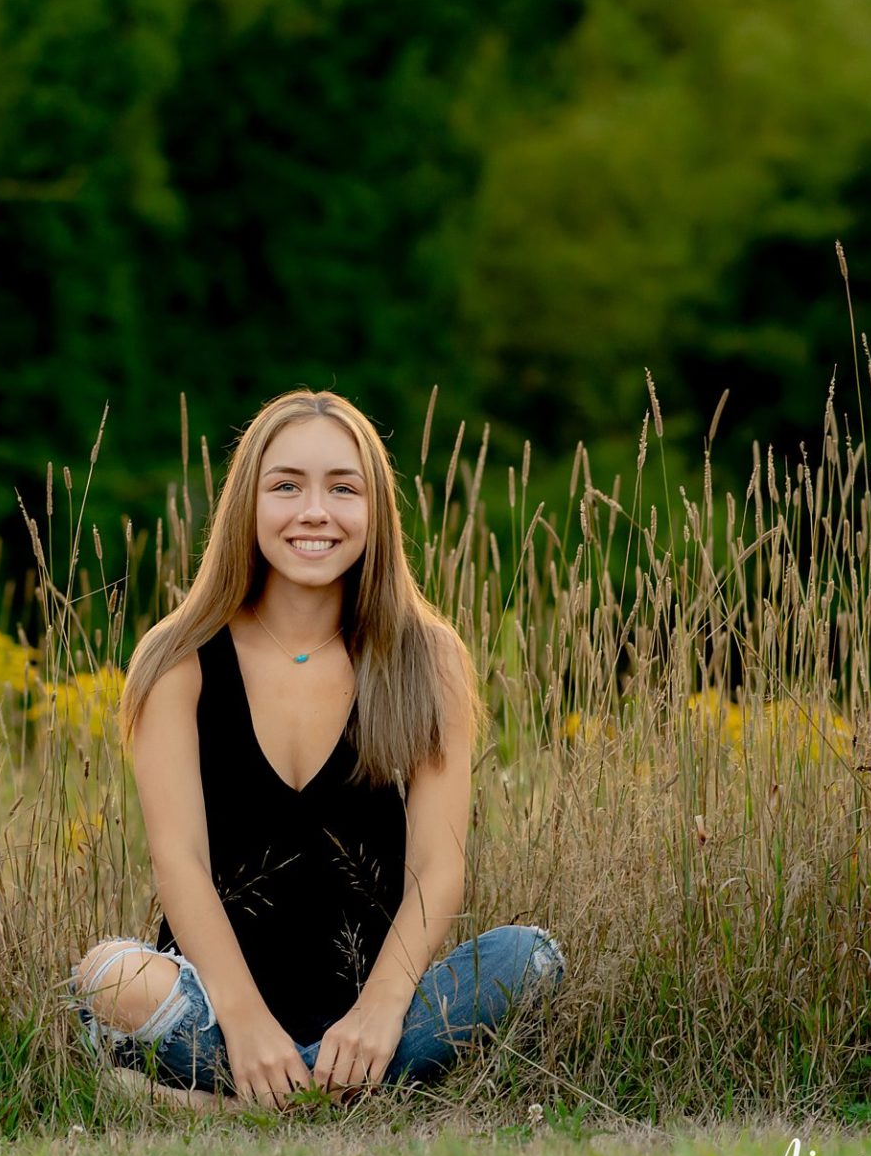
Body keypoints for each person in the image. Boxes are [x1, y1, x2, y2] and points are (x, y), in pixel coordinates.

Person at [70, 389, 563, 1108]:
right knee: (108, 974)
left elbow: (437, 865)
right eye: (286, 487)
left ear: (375, 511)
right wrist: (242, 1023)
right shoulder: (178, 657)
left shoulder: (425, 658)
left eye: (343, 488)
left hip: (374, 1019)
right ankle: (314, 1097)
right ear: (248, 503)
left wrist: (380, 1012)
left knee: (529, 957)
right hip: (218, 1011)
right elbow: (180, 862)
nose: (314, 512)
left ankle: (217, 1105)